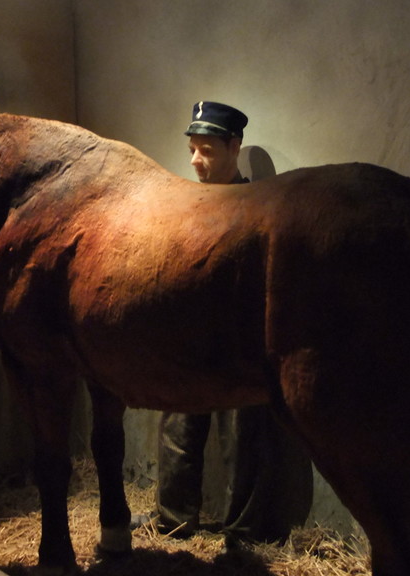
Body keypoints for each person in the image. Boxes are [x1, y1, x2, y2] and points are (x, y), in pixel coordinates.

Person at [151, 101, 314, 545]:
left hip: (241, 341)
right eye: (192, 149)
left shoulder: (258, 207)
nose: (195, 160)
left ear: (234, 146)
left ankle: (242, 533)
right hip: (192, 336)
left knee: (243, 436)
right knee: (178, 427)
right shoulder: (187, 203)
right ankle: (173, 519)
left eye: (206, 149)